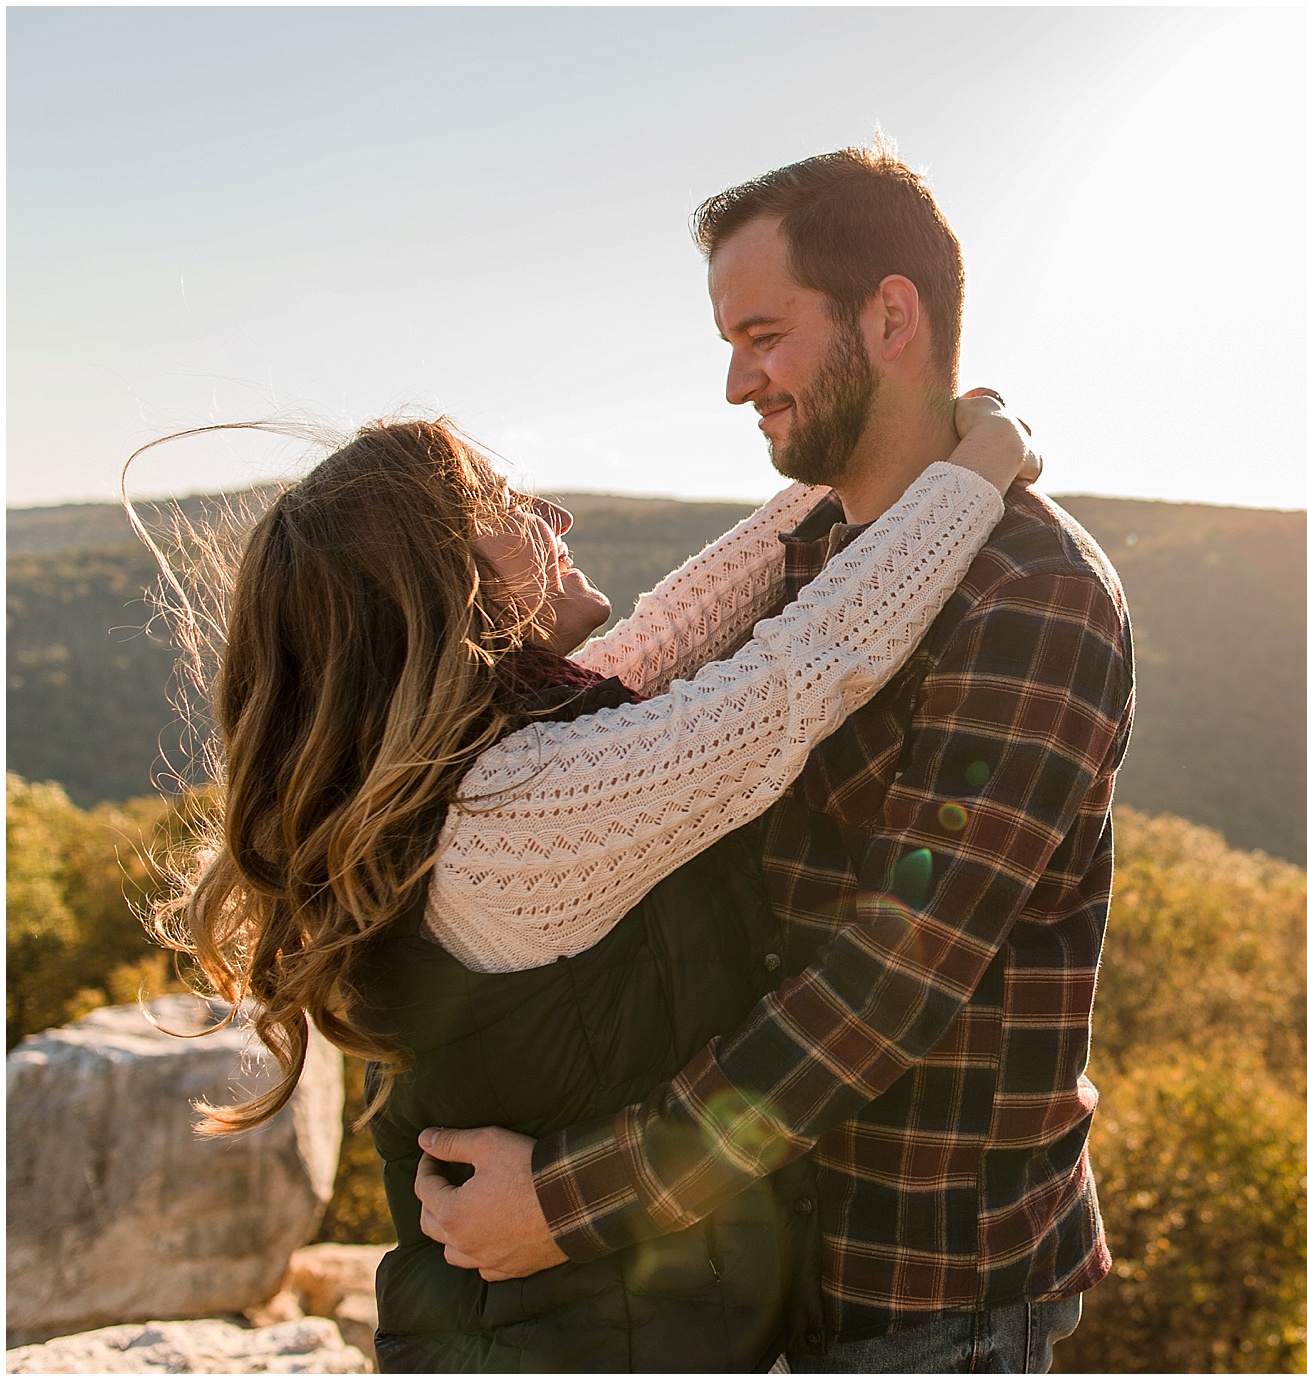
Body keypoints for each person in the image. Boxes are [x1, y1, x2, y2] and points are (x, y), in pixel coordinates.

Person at [415, 139, 1135, 1373]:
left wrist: (568, 1200)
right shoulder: (802, 566)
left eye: (763, 334)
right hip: (763, 1256)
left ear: (889, 315)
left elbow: (889, 982)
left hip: (934, 1290)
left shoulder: (1031, 594)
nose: (738, 385)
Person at [142, 392, 1039, 1370]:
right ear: (452, 583)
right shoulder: (518, 811)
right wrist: (982, 461)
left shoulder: (465, 770)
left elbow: (673, 631)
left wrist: (872, 452)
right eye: (512, 505)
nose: (557, 519)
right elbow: (806, 668)